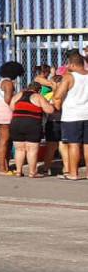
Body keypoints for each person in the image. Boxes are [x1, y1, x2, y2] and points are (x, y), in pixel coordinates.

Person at [53, 50, 88, 181]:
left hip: (72, 115)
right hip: (87, 114)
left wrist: (57, 106)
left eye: (68, 64)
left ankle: (74, 173)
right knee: (87, 145)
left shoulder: (69, 77)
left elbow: (57, 96)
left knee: (74, 144)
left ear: (72, 65)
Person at [10, 82, 55, 178]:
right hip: (32, 124)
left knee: (19, 149)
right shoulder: (38, 96)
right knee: (32, 150)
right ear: (38, 90)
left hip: (16, 123)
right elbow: (49, 110)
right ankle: (32, 172)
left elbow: (12, 107)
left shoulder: (18, 95)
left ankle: (18, 171)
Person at [0, 61, 25, 175]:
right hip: (4, 111)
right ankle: (2, 168)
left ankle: (5, 166)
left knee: (4, 140)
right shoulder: (8, 83)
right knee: (4, 140)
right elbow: (8, 99)